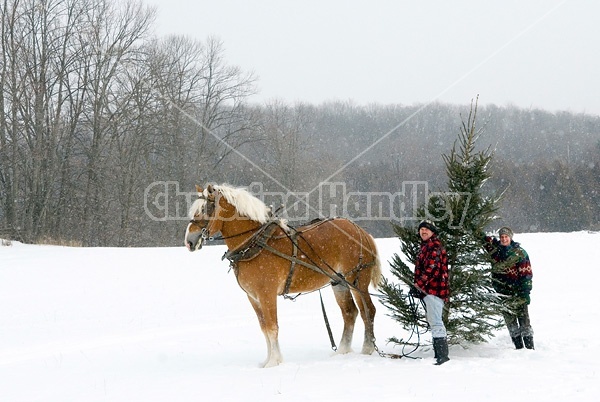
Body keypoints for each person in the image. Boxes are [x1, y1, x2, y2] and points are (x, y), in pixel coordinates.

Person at [484, 226, 534, 350]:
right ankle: (518, 346)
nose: (504, 239)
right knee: (510, 321)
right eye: (501, 237)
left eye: (506, 237)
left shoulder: (520, 253)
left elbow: (526, 274)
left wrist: (526, 292)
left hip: (518, 292)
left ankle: (529, 347)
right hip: (503, 292)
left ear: (510, 237)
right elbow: (483, 240)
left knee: (524, 320)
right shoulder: (496, 251)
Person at [409, 219, 450, 365]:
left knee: (436, 322)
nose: (423, 232)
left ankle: (442, 356)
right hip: (429, 291)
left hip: (435, 290)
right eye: (421, 229)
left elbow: (431, 268)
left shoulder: (435, 247)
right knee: (434, 320)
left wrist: (418, 285)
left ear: (432, 232)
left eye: (426, 229)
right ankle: (439, 354)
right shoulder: (426, 246)